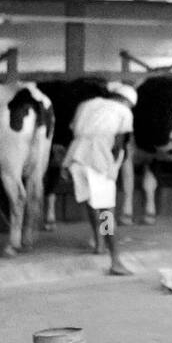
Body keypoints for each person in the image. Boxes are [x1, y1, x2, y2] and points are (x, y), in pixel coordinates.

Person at [63, 81, 136, 276]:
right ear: (126, 101)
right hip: (98, 159)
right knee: (107, 212)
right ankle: (115, 261)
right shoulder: (123, 112)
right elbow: (119, 144)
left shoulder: (86, 104)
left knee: (91, 202)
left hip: (76, 158)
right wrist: (113, 168)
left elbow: (73, 131)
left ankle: (99, 243)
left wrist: (66, 163)